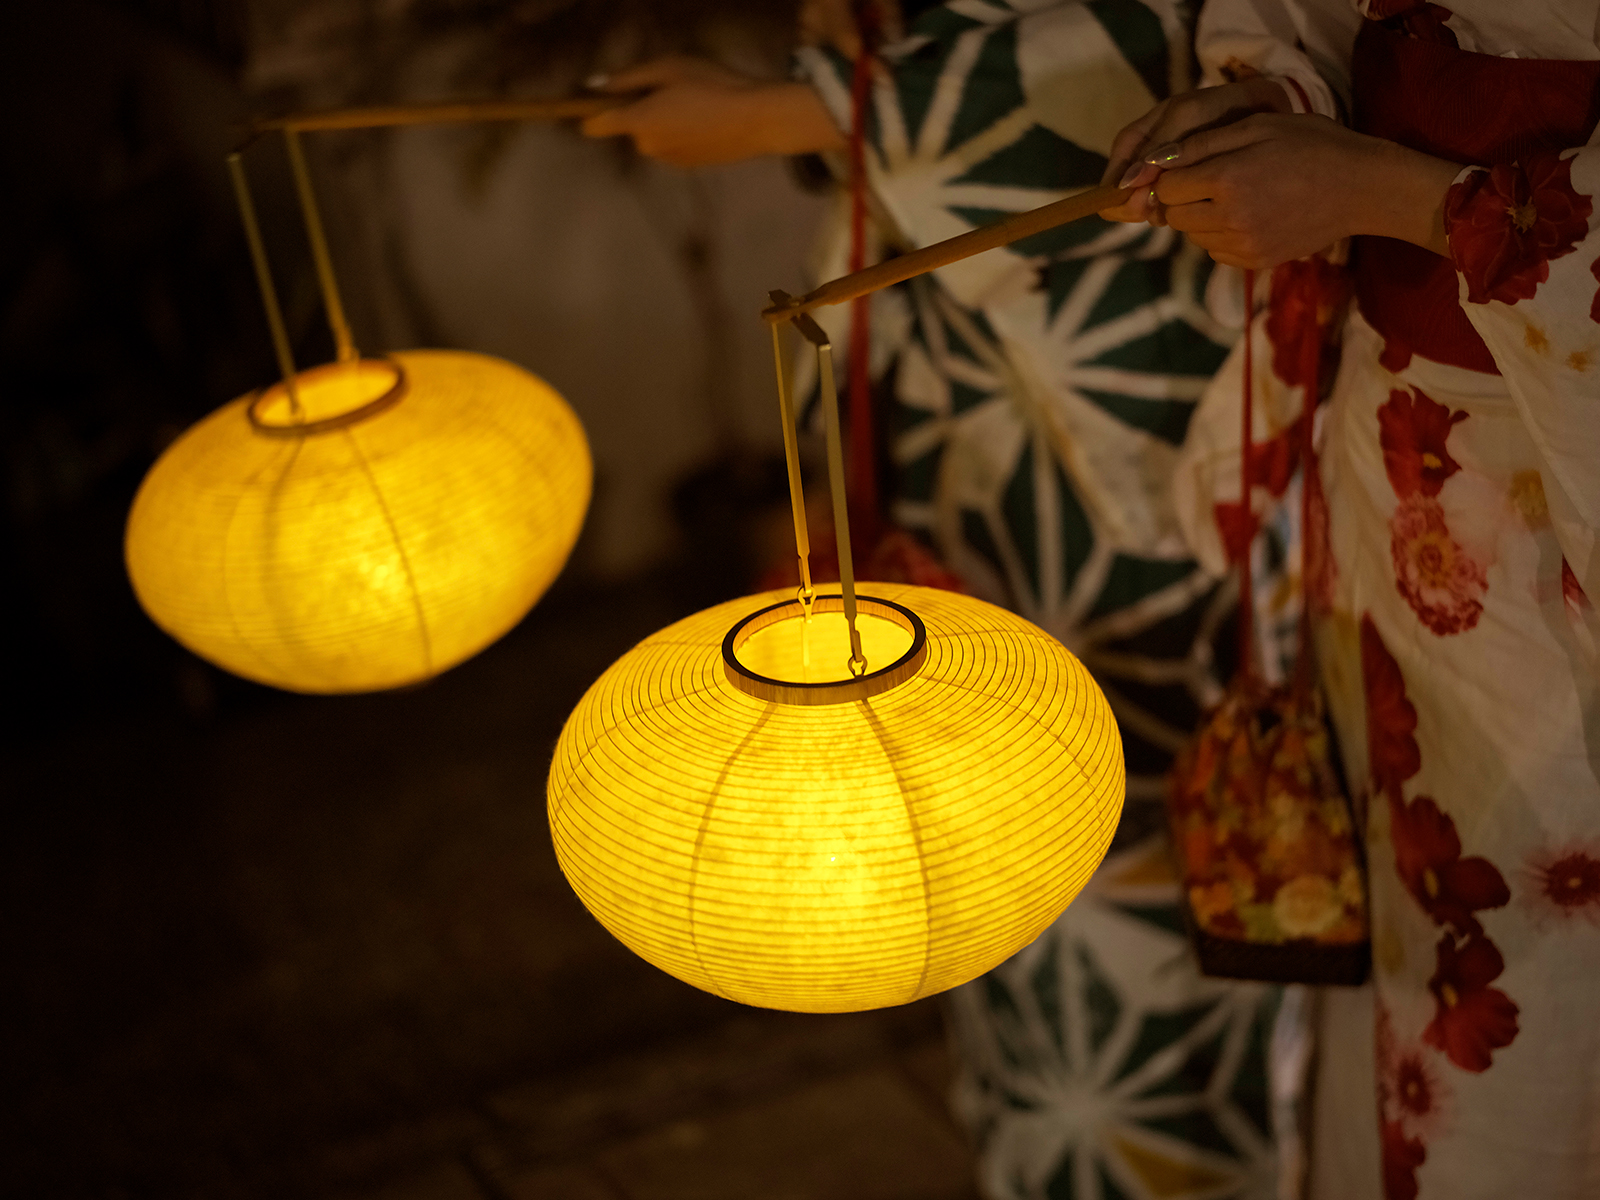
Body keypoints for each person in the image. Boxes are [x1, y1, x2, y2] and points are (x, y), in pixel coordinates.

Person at [584, 4, 1298, 1198]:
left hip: (1110, 414)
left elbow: (1178, 28)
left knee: (1128, 822)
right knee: (965, 845)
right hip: (959, 402)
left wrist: (800, 110)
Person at [1101, 3, 1600, 1197]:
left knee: (1551, 959)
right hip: (1399, 447)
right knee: (1412, 929)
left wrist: (1400, 197)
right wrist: (1269, 109)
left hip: (1560, 457)